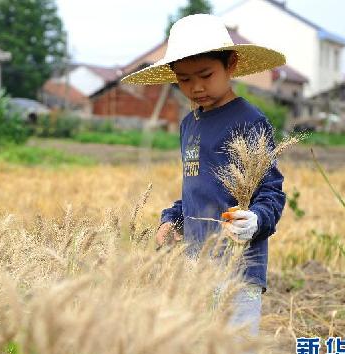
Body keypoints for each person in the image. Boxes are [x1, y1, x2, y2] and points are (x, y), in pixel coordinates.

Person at [121, 14, 287, 337]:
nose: (196, 87)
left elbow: (271, 193)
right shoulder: (189, 125)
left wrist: (254, 219)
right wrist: (174, 221)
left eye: (206, 74)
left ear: (232, 65)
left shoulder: (249, 121)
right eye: (184, 79)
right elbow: (196, 192)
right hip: (196, 268)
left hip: (239, 267)